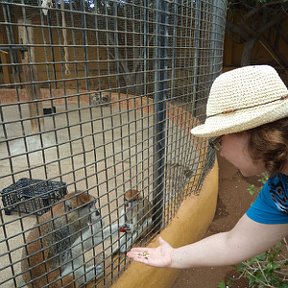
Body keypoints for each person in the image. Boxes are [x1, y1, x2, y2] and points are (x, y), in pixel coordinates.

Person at [127, 65, 288, 269]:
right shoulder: (281, 190)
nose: (221, 152)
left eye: (218, 140)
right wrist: (174, 257)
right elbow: (233, 243)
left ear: (250, 131)